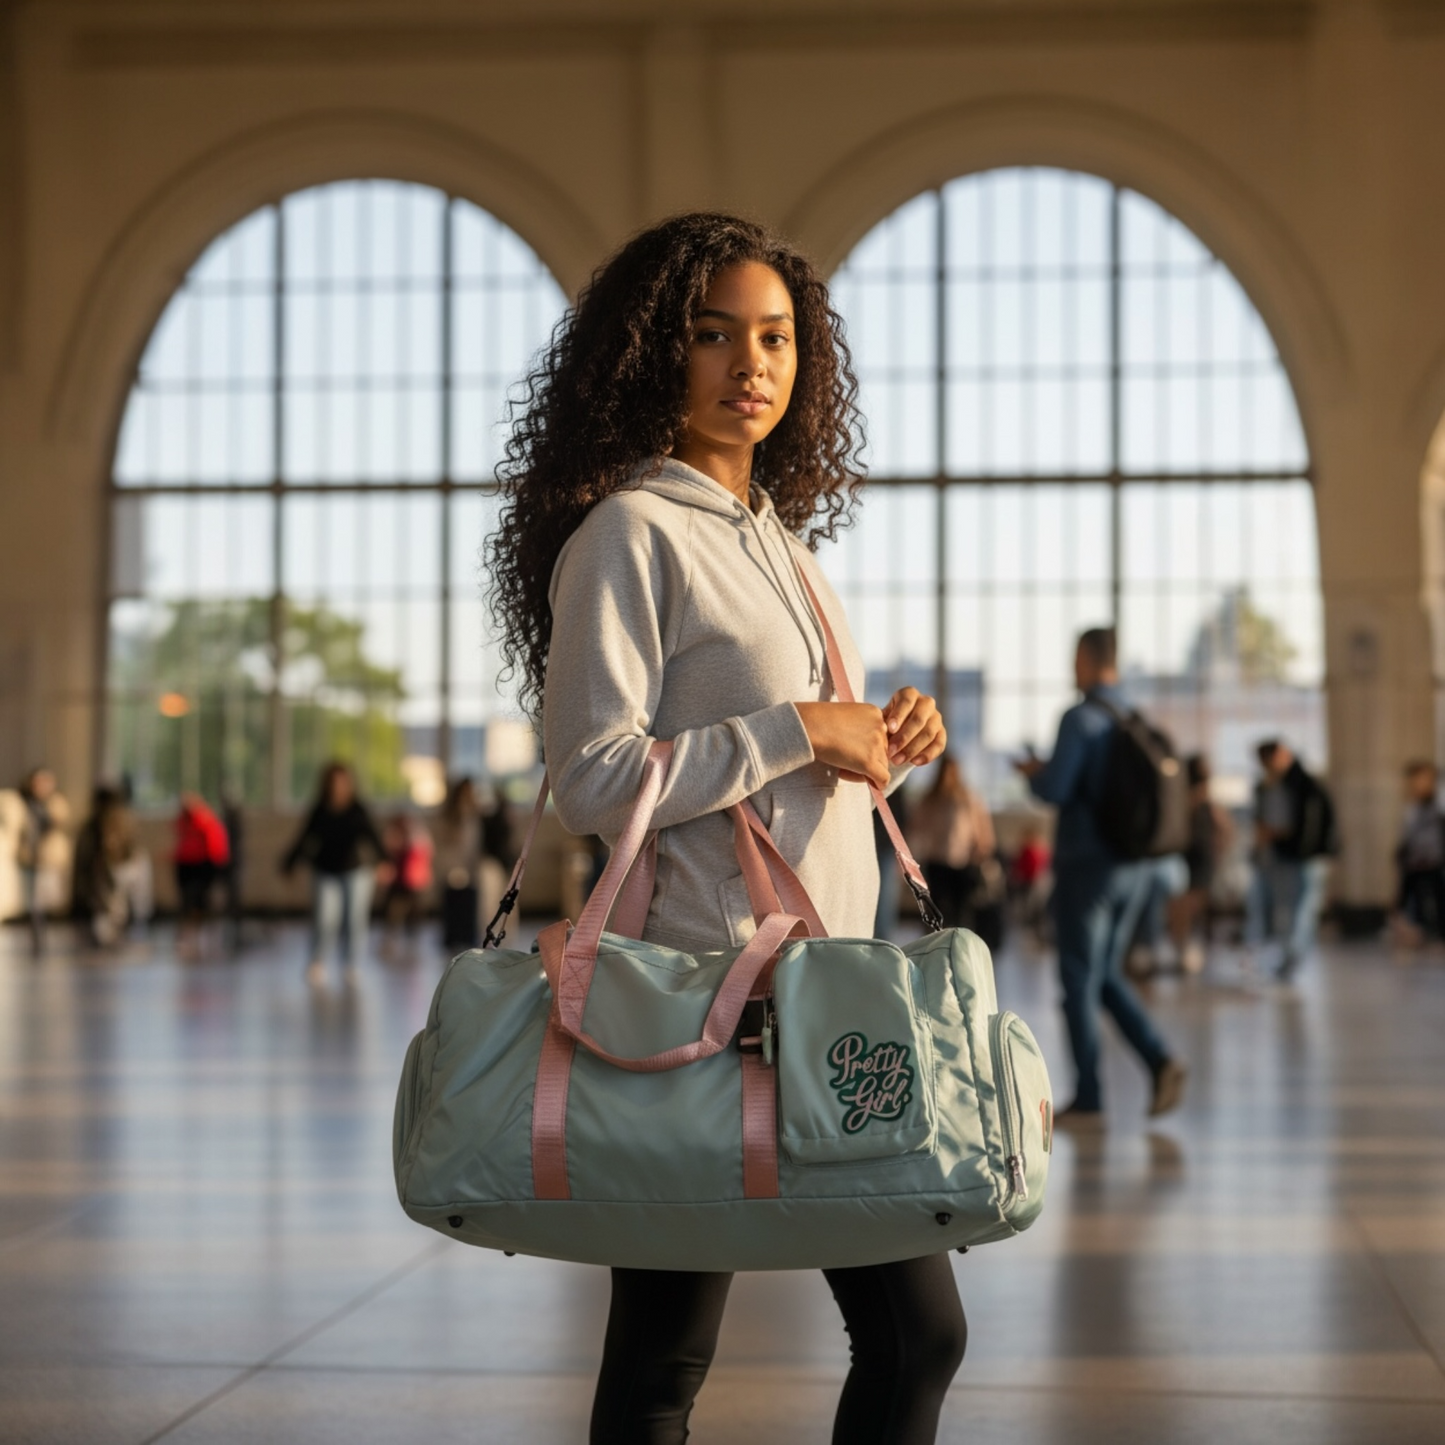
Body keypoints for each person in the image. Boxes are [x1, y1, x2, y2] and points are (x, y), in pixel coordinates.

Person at [487, 212, 961, 1445]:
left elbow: (792, 779)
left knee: (769, 1347)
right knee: (679, 1361)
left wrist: (880, 745)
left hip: (817, 996)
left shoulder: (788, 551)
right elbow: (593, 779)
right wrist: (802, 728)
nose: (749, 364)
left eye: (774, 337)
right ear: (652, 353)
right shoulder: (627, 536)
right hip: (698, 999)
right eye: (711, 335)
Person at [1014, 628, 1187, 1125]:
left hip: (1088, 866)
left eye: (1075, 659)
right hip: (1135, 866)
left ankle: (1089, 1097)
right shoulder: (1131, 716)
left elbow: (1057, 789)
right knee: (1104, 973)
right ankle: (1160, 1060)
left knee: (1077, 980)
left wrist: (1033, 772)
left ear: (1088, 661)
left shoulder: (1080, 718)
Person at [282, 762, 385, 986]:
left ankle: (351, 963)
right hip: (325, 870)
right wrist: (289, 862)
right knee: (324, 918)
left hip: (356, 871)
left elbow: (372, 836)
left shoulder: (357, 809)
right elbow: (305, 837)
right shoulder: (320, 809)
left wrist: (384, 860)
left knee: (354, 919)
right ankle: (317, 961)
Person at [1245, 739, 1337, 980]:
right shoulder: (1267, 786)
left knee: (1297, 911)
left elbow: (1313, 824)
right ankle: (1279, 955)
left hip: (1299, 857)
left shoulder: (1305, 785)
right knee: (1274, 909)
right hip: (1275, 856)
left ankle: (1290, 958)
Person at [907, 754, 997, 933]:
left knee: (962, 912)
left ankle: (958, 949)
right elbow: (915, 827)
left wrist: (982, 848)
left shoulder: (968, 799)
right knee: (937, 910)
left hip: (962, 862)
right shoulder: (931, 798)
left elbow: (982, 829)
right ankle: (935, 949)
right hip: (937, 862)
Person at [1167, 754, 1233, 972]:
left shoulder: (1202, 800)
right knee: (1185, 904)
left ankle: (1188, 947)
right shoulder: (1188, 799)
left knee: (1194, 904)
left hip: (1201, 856)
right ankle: (1183, 948)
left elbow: (1225, 828)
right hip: (1190, 855)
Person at [1390, 760, 1445, 947]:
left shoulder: (1439, 805)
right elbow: (1408, 835)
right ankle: (1416, 931)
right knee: (1409, 898)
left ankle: (1437, 933)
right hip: (1414, 862)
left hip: (1434, 861)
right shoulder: (1412, 808)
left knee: (1437, 898)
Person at [16, 767, 66, 957]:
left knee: (43, 901)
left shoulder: (54, 804)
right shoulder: (24, 803)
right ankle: (36, 936)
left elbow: (57, 822)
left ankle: (41, 937)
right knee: (32, 902)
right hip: (30, 858)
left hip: (46, 860)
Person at [174, 792, 231, 958]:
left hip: (202, 865)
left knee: (199, 901)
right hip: (186, 865)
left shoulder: (205, 820)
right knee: (188, 901)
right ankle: (189, 933)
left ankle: (199, 933)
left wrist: (217, 864)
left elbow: (216, 844)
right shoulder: (183, 821)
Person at [434, 776, 483, 949]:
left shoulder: (474, 814)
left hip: (470, 867)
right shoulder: (450, 816)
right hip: (452, 867)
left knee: (468, 910)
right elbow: (446, 844)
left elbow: (475, 843)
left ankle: (466, 940)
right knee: (454, 909)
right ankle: (453, 942)